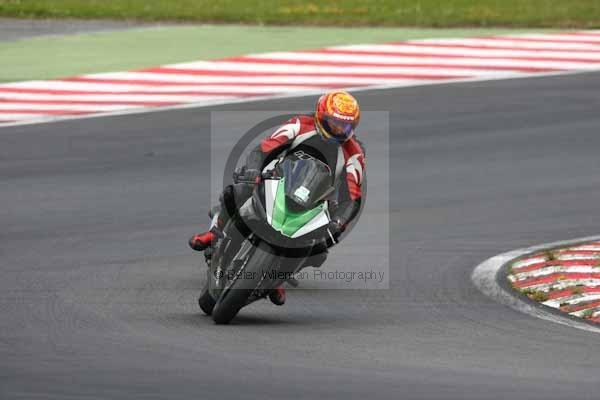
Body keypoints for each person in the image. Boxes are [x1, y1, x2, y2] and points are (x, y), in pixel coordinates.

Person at [189, 91, 366, 306]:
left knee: (319, 249)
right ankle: (214, 232)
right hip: (278, 178)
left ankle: (275, 277)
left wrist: (339, 222)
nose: (338, 130)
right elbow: (264, 148)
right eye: (334, 123)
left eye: (345, 127)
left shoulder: (354, 153)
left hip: (315, 201)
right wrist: (253, 171)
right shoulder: (300, 125)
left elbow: (353, 196)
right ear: (320, 116)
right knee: (238, 192)